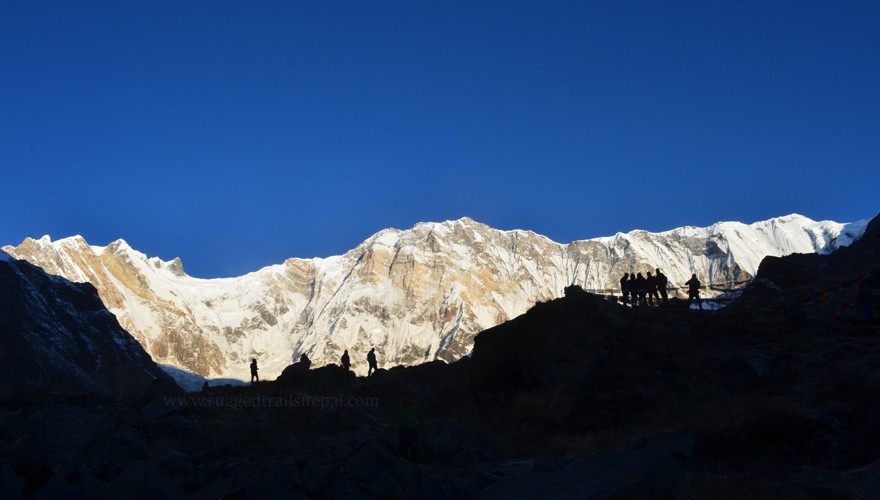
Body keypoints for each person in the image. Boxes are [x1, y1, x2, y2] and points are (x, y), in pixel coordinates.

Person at [392, 396, 423, 461]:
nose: (407, 399)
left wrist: (421, 427)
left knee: (414, 446)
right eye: (406, 397)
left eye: (408, 398)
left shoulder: (415, 408)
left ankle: (415, 461)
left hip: (413, 429)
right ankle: (404, 462)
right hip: (402, 429)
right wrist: (392, 426)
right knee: (403, 446)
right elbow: (393, 417)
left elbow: (420, 418)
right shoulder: (400, 407)